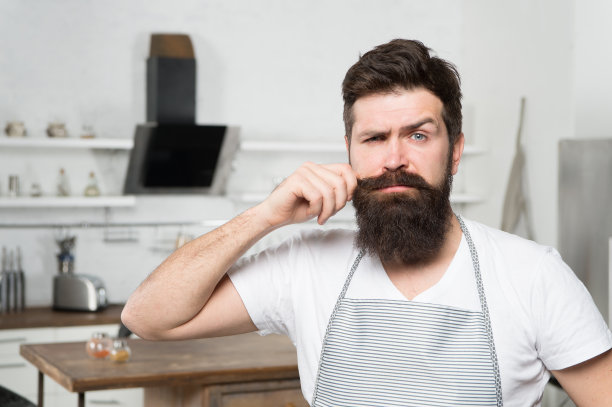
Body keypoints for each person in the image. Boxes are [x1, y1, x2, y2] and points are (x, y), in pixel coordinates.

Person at [122, 39, 612, 406]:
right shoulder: (304, 265)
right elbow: (146, 318)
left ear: (455, 150)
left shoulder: (533, 275)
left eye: (418, 135)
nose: (394, 159)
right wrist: (265, 215)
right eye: (374, 138)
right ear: (350, 152)